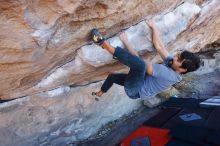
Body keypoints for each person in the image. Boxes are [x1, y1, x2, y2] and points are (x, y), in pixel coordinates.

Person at [91, 20, 201, 100]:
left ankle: (102, 44)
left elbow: (138, 62)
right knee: (112, 77)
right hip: (140, 83)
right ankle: (101, 92)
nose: (175, 58)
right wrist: (154, 28)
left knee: (141, 65)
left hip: (135, 90)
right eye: (178, 56)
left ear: (183, 70)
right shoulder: (173, 65)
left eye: (179, 60)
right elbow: (160, 47)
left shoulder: (168, 74)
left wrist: (126, 42)